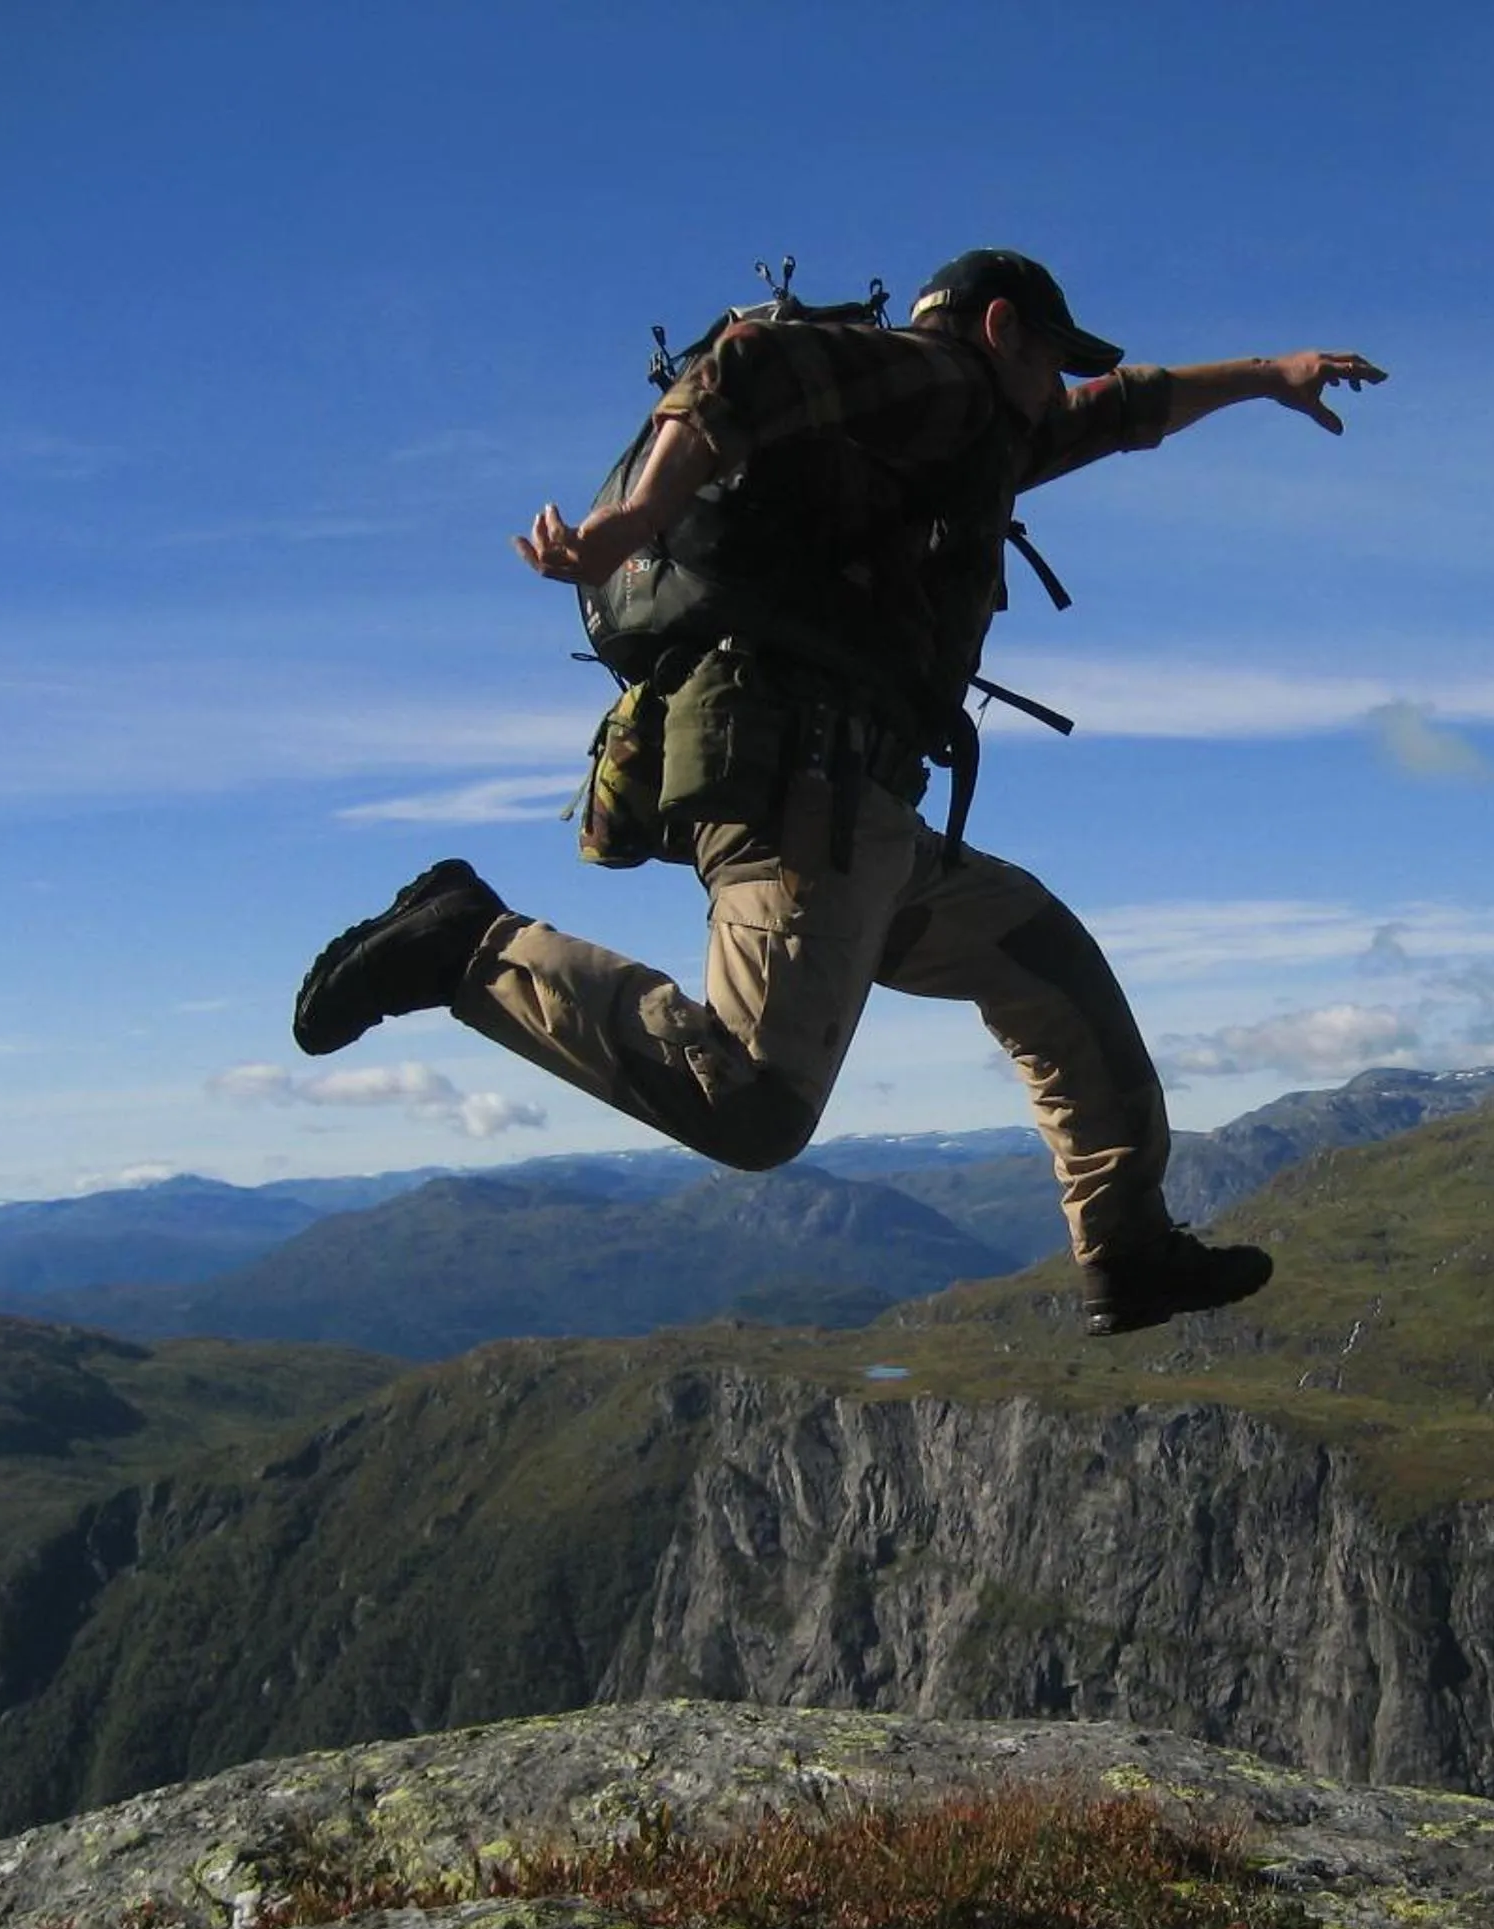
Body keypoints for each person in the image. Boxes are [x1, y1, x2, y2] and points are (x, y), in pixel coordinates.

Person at [292, 249, 1386, 1335]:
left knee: (1051, 969)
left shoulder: (963, 436)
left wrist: (1268, 376)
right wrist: (632, 523)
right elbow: (744, 366)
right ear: (999, 328)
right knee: (754, 1111)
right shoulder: (940, 379)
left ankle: (1128, 1251)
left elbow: (1120, 410)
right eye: (1052, 357)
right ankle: (467, 946)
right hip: (808, 794)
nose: (1060, 386)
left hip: (866, 814)